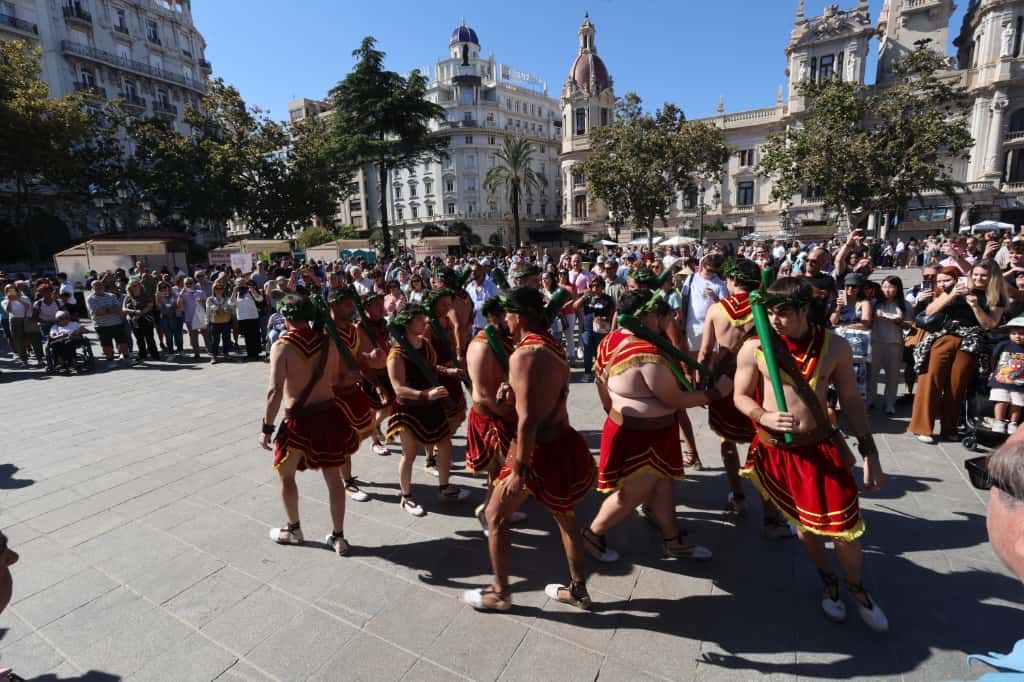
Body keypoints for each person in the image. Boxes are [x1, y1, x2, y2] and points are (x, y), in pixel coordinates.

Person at [733, 277, 888, 631]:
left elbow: (850, 400)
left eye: (784, 312)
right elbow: (740, 396)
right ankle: (828, 581)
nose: (774, 320)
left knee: (846, 529)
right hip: (778, 451)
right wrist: (764, 415)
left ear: (805, 309)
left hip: (821, 448)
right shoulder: (755, 347)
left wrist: (870, 452)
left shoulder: (834, 346)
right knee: (805, 528)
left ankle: (857, 587)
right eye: (770, 312)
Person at [463, 287, 597, 612]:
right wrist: (513, 389)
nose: (505, 320)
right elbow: (547, 391)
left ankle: (500, 593)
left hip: (535, 450)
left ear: (519, 316)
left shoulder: (523, 355)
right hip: (562, 439)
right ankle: (578, 589)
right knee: (566, 519)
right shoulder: (551, 344)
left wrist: (519, 471)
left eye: (508, 314)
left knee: (494, 516)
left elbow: (526, 421)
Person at [584, 289, 726, 563]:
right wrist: (717, 393)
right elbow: (674, 399)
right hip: (640, 437)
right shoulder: (647, 352)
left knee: (662, 486)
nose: (662, 320)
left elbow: (600, 382)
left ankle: (673, 542)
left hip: (643, 431)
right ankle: (591, 534)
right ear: (645, 316)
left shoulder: (611, 339)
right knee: (632, 494)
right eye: (658, 315)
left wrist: (610, 410)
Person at [259, 295, 360, 556]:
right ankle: (339, 538)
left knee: (286, 474)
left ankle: (294, 530)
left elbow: (274, 392)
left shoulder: (281, 347)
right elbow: (338, 379)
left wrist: (266, 428)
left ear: (287, 317)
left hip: (298, 421)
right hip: (328, 415)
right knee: (334, 478)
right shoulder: (329, 343)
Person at [697, 258, 792, 531]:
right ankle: (770, 512)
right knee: (762, 446)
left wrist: (703, 383)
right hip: (757, 387)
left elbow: (705, 353)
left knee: (727, 441)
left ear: (734, 281)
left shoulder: (716, 310)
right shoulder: (764, 308)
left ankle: (738, 497)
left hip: (726, 385)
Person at [386, 304, 469, 517]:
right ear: (407, 323)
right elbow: (399, 389)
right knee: (410, 454)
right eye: (420, 319)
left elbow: (431, 367)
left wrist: (447, 371)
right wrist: (425, 395)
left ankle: (444, 488)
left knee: (444, 444)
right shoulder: (396, 354)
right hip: (408, 409)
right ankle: (406, 497)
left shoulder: (425, 344)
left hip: (431, 404)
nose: (426, 322)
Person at [910, 262, 1006, 443]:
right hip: (946, 336)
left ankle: (949, 428)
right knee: (931, 380)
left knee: (957, 386)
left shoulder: (996, 296)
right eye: (975, 274)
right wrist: (952, 294)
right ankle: (923, 428)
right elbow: (929, 311)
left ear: (992, 277)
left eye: (983, 275)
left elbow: (989, 325)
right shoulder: (959, 288)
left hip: (971, 341)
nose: (978, 278)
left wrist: (976, 306)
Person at [465, 296, 526, 534]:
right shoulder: (481, 345)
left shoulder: (505, 339)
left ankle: (499, 509)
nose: (510, 321)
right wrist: (511, 415)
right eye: (506, 316)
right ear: (492, 317)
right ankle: (487, 512)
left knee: (499, 471)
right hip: (491, 418)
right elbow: (481, 394)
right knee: (505, 470)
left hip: (507, 414)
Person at [325, 287, 386, 503]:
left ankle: (344, 476)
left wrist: (369, 360)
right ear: (333, 306)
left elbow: (356, 359)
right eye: (347, 304)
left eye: (353, 304)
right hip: (332, 397)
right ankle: (347, 482)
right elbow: (321, 369)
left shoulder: (352, 330)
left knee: (352, 439)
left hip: (352, 392)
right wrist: (339, 380)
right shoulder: (325, 332)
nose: (352, 308)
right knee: (343, 441)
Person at [869, 276, 911, 416]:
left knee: (892, 375)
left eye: (891, 287)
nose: (887, 290)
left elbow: (910, 325)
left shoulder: (905, 304)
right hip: (875, 341)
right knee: (872, 373)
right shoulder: (875, 303)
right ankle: (870, 398)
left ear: (898, 288)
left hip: (895, 343)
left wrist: (899, 321)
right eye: (884, 286)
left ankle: (889, 403)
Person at [831, 272, 874, 402]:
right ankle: (836, 401)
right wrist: (838, 307)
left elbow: (866, 323)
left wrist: (844, 327)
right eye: (847, 286)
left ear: (859, 288)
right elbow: (833, 321)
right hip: (839, 342)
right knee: (837, 371)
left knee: (856, 374)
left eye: (854, 286)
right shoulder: (840, 301)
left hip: (856, 344)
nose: (849, 289)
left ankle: (856, 404)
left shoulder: (863, 303)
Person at [682, 254, 728, 354]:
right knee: (693, 357)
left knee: (709, 358)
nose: (711, 273)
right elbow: (684, 301)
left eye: (714, 271)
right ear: (702, 266)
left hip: (712, 328)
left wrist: (715, 297)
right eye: (709, 270)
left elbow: (725, 307)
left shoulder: (720, 283)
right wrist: (683, 322)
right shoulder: (691, 278)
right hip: (692, 326)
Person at [988, 316, 1024, 434]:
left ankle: (1013, 423)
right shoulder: (1003, 345)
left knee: (1017, 404)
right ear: (1009, 333)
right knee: (1001, 401)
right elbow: (994, 359)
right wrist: (993, 372)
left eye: (1021, 334)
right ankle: (999, 421)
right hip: (1001, 379)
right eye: (1014, 333)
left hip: (1020, 382)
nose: (1017, 336)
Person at [577, 277, 615, 382]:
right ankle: (587, 372)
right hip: (587, 329)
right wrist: (584, 297)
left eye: (597, 285)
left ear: (602, 286)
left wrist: (605, 318)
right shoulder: (587, 298)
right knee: (587, 349)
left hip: (601, 330)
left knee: (600, 352)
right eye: (592, 285)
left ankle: (599, 373)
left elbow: (613, 313)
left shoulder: (607, 299)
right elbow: (574, 306)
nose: (594, 288)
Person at [87, 280, 130, 363]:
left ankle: (126, 358)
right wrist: (111, 309)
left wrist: (105, 310)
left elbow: (118, 308)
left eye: (100, 285)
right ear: (92, 288)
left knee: (123, 342)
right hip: (102, 326)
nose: (99, 287)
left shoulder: (111, 295)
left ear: (103, 286)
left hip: (117, 323)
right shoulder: (90, 298)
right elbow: (98, 312)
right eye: (96, 285)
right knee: (106, 345)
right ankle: (111, 361)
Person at [124, 279, 160, 361]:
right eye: (133, 286)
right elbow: (124, 308)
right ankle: (142, 354)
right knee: (139, 339)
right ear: (129, 287)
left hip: (146, 319)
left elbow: (150, 306)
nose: (135, 287)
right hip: (134, 320)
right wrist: (135, 312)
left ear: (140, 286)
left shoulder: (145, 295)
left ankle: (154, 354)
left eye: (136, 285)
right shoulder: (128, 297)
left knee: (149, 338)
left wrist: (140, 314)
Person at [232, 279, 264, 361]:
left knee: (255, 337)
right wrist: (234, 292)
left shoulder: (250, 291)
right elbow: (231, 303)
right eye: (238, 284)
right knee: (247, 337)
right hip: (242, 319)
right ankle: (250, 354)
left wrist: (253, 291)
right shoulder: (237, 294)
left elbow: (260, 299)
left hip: (253, 318)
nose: (241, 286)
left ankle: (256, 354)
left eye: (242, 283)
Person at [177, 277, 208, 360]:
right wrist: (180, 294)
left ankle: (210, 351)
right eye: (187, 283)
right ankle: (197, 353)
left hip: (201, 316)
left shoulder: (200, 292)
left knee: (206, 334)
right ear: (184, 285)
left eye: (190, 283)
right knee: (193, 336)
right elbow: (179, 305)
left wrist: (202, 301)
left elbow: (206, 304)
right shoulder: (183, 294)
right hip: (189, 318)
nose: (189, 285)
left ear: (194, 283)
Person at [206, 282, 234, 364]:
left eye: (221, 288)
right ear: (213, 290)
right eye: (216, 288)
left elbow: (232, 308)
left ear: (223, 290)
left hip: (225, 321)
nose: (219, 290)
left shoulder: (227, 299)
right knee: (215, 340)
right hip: (214, 322)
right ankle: (214, 356)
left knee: (226, 338)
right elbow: (207, 311)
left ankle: (226, 353)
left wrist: (228, 309)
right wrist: (207, 323)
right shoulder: (210, 299)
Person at [156, 282, 183, 355]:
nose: (164, 289)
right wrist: (158, 298)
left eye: (165, 287)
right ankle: (170, 350)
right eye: (161, 288)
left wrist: (175, 298)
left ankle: (180, 349)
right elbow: (159, 308)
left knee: (178, 335)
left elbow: (178, 306)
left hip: (175, 317)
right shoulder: (159, 296)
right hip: (165, 318)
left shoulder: (174, 294)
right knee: (168, 336)